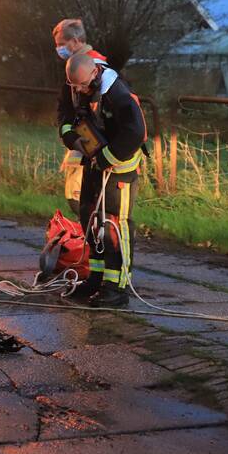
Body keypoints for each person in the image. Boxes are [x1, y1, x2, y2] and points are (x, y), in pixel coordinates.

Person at [65, 53, 146, 308]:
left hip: (118, 168)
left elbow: (135, 133)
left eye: (80, 84)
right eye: (73, 86)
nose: (77, 89)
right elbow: (69, 120)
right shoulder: (84, 89)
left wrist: (107, 158)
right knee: (90, 217)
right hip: (95, 163)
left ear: (95, 73)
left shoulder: (117, 94)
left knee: (114, 224)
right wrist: (74, 140)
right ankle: (97, 278)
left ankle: (117, 288)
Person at [53, 18, 109, 215]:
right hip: (83, 138)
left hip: (91, 140)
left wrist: (70, 133)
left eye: (61, 44)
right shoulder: (78, 65)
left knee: (78, 197)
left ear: (75, 41)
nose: (58, 49)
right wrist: (66, 131)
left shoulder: (93, 66)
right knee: (81, 198)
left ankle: (91, 237)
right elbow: (67, 107)